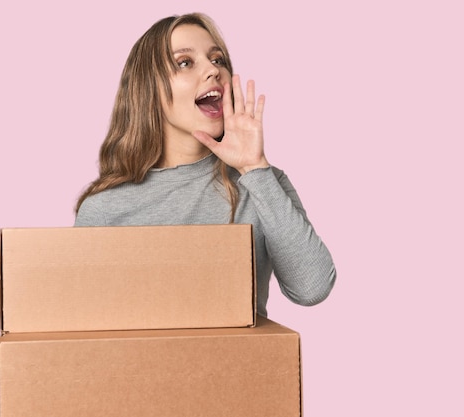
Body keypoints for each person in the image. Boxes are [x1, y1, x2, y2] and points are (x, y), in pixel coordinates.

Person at [74, 12, 336, 316]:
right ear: (149, 89)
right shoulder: (105, 209)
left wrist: (254, 167)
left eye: (218, 60)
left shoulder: (262, 182)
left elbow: (312, 288)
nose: (213, 70)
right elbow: (88, 326)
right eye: (185, 62)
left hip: (240, 364)